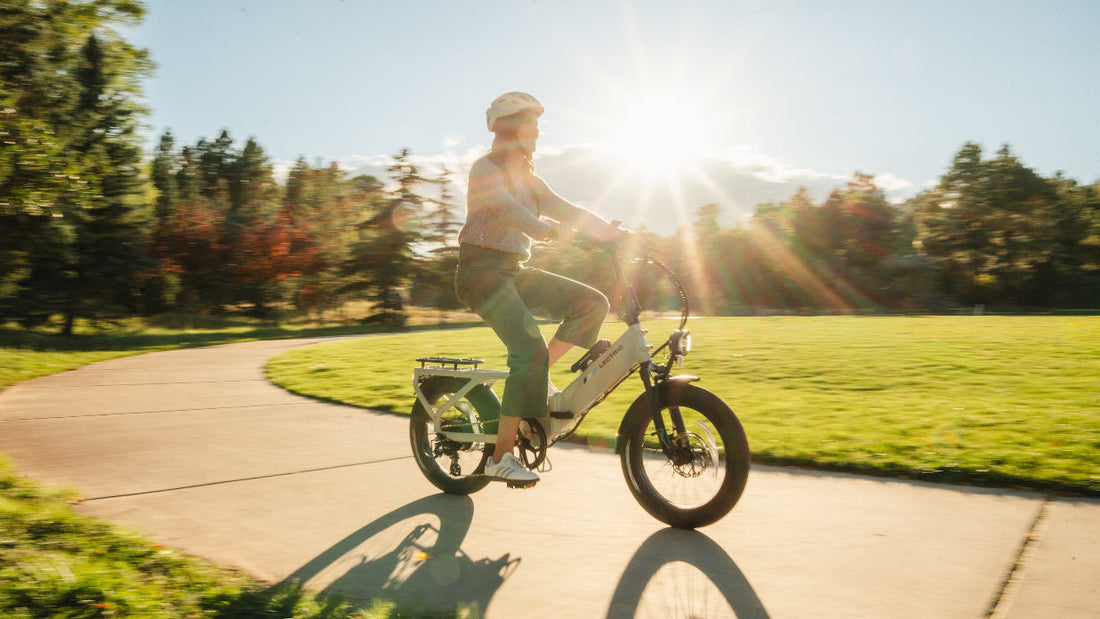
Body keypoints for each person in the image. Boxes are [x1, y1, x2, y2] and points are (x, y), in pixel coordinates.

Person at [455, 92, 624, 487]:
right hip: (480, 271)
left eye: (536, 123)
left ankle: (537, 374)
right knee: (526, 352)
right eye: (530, 122)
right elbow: (506, 211)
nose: (537, 130)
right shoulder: (484, 170)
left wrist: (613, 234)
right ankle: (500, 458)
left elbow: (568, 210)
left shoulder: (532, 181)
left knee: (591, 304)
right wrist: (547, 230)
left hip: (514, 270)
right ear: (510, 128)